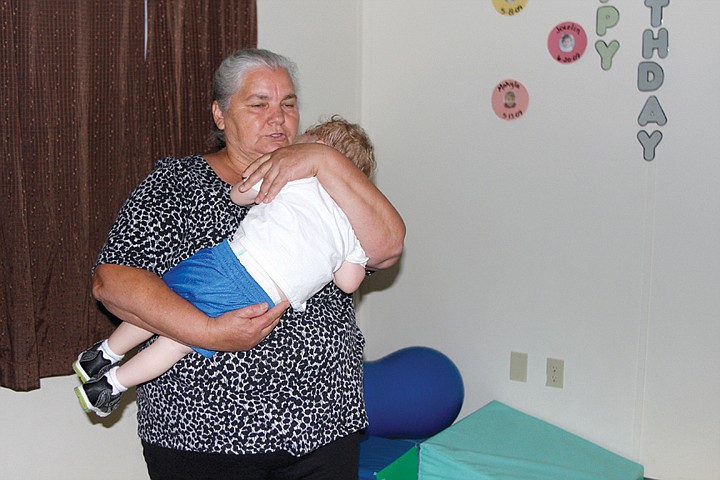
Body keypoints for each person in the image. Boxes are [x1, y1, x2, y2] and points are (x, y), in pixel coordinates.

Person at [88, 48, 404, 480]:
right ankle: (108, 370)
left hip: (324, 428)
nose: (278, 118)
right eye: (259, 104)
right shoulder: (176, 183)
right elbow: (113, 282)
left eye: (288, 104)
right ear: (220, 115)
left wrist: (325, 161)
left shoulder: (333, 188)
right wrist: (211, 333)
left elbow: (387, 247)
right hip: (203, 439)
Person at [73, 116, 377, 418]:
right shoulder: (351, 228)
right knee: (177, 344)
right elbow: (349, 282)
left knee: (168, 305)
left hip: (230, 263)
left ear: (316, 149)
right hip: (259, 300)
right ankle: (110, 386)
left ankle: (103, 355)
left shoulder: (292, 178)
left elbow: (238, 194)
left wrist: (266, 178)